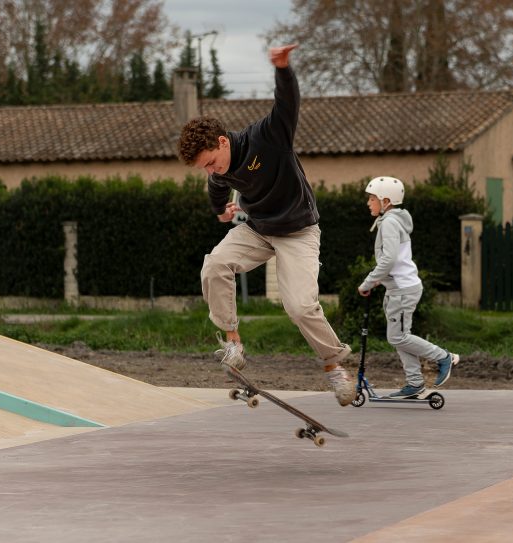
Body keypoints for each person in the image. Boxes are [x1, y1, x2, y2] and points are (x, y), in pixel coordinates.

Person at [177, 44, 356, 406]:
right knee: (215, 263)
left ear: (223, 142)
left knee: (300, 307)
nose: (212, 171)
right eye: (205, 168)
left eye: (211, 161)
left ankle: (334, 365)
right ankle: (233, 343)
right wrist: (220, 213)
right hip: (258, 230)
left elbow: (287, 102)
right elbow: (216, 188)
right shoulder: (220, 170)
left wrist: (283, 68)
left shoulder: (269, 137)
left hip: (299, 231)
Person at [357, 176, 460, 397]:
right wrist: (377, 281)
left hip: (403, 289)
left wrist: (368, 281)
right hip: (398, 288)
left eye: (372, 198)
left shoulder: (391, 223)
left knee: (398, 337)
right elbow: (390, 260)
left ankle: (444, 357)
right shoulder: (392, 220)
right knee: (400, 335)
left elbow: (389, 259)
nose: (368, 203)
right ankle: (414, 383)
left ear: (385, 201)